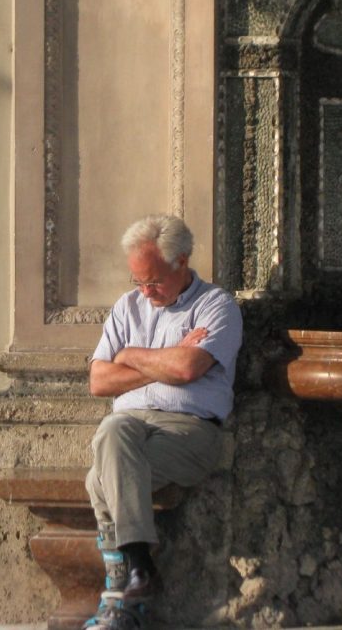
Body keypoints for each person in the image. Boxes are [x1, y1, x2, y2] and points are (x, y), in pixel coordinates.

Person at [82, 214, 242, 630]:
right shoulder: (127, 307)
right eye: (138, 281)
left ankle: (120, 595)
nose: (145, 291)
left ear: (181, 261)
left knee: (100, 479)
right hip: (129, 429)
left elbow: (188, 369)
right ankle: (139, 574)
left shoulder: (216, 306)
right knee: (114, 431)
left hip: (188, 431)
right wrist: (162, 361)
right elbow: (99, 381)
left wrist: (129, 355)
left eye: (153, 281)